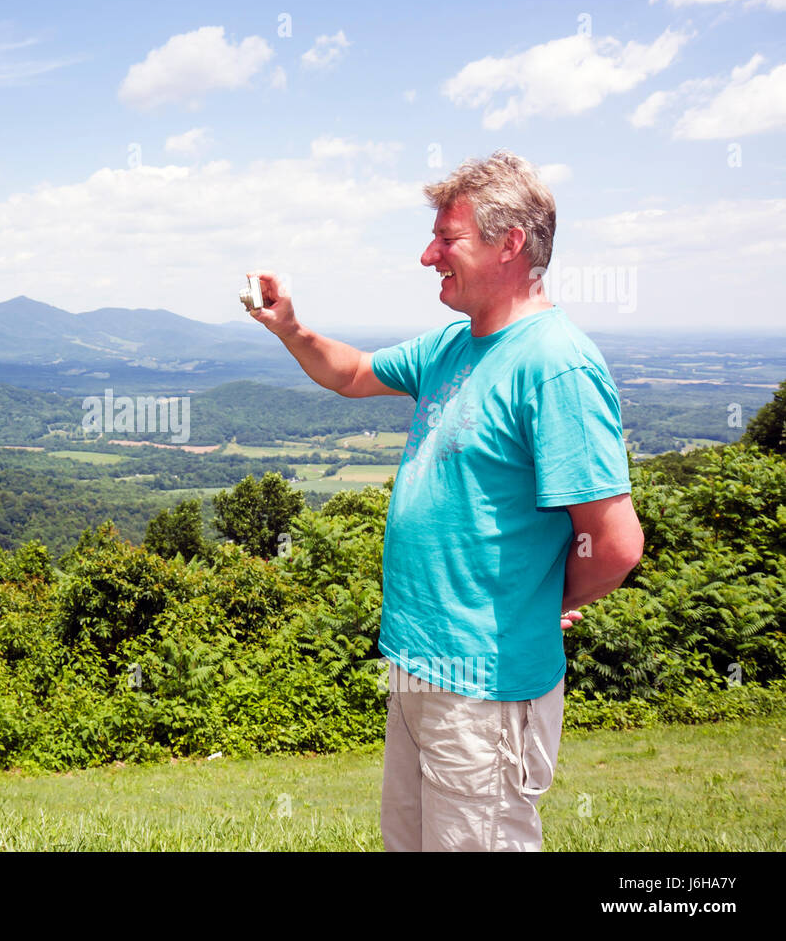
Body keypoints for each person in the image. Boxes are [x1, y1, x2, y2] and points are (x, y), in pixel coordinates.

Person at [250, 150, 644, 851]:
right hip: (418, 663)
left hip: (484, 685)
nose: (428, 254)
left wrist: (536, 604)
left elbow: (615, 544)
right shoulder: (455, 345)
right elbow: (355, 373)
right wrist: (290, 327)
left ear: (510, 243)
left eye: (447, 237)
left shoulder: (556, 363)